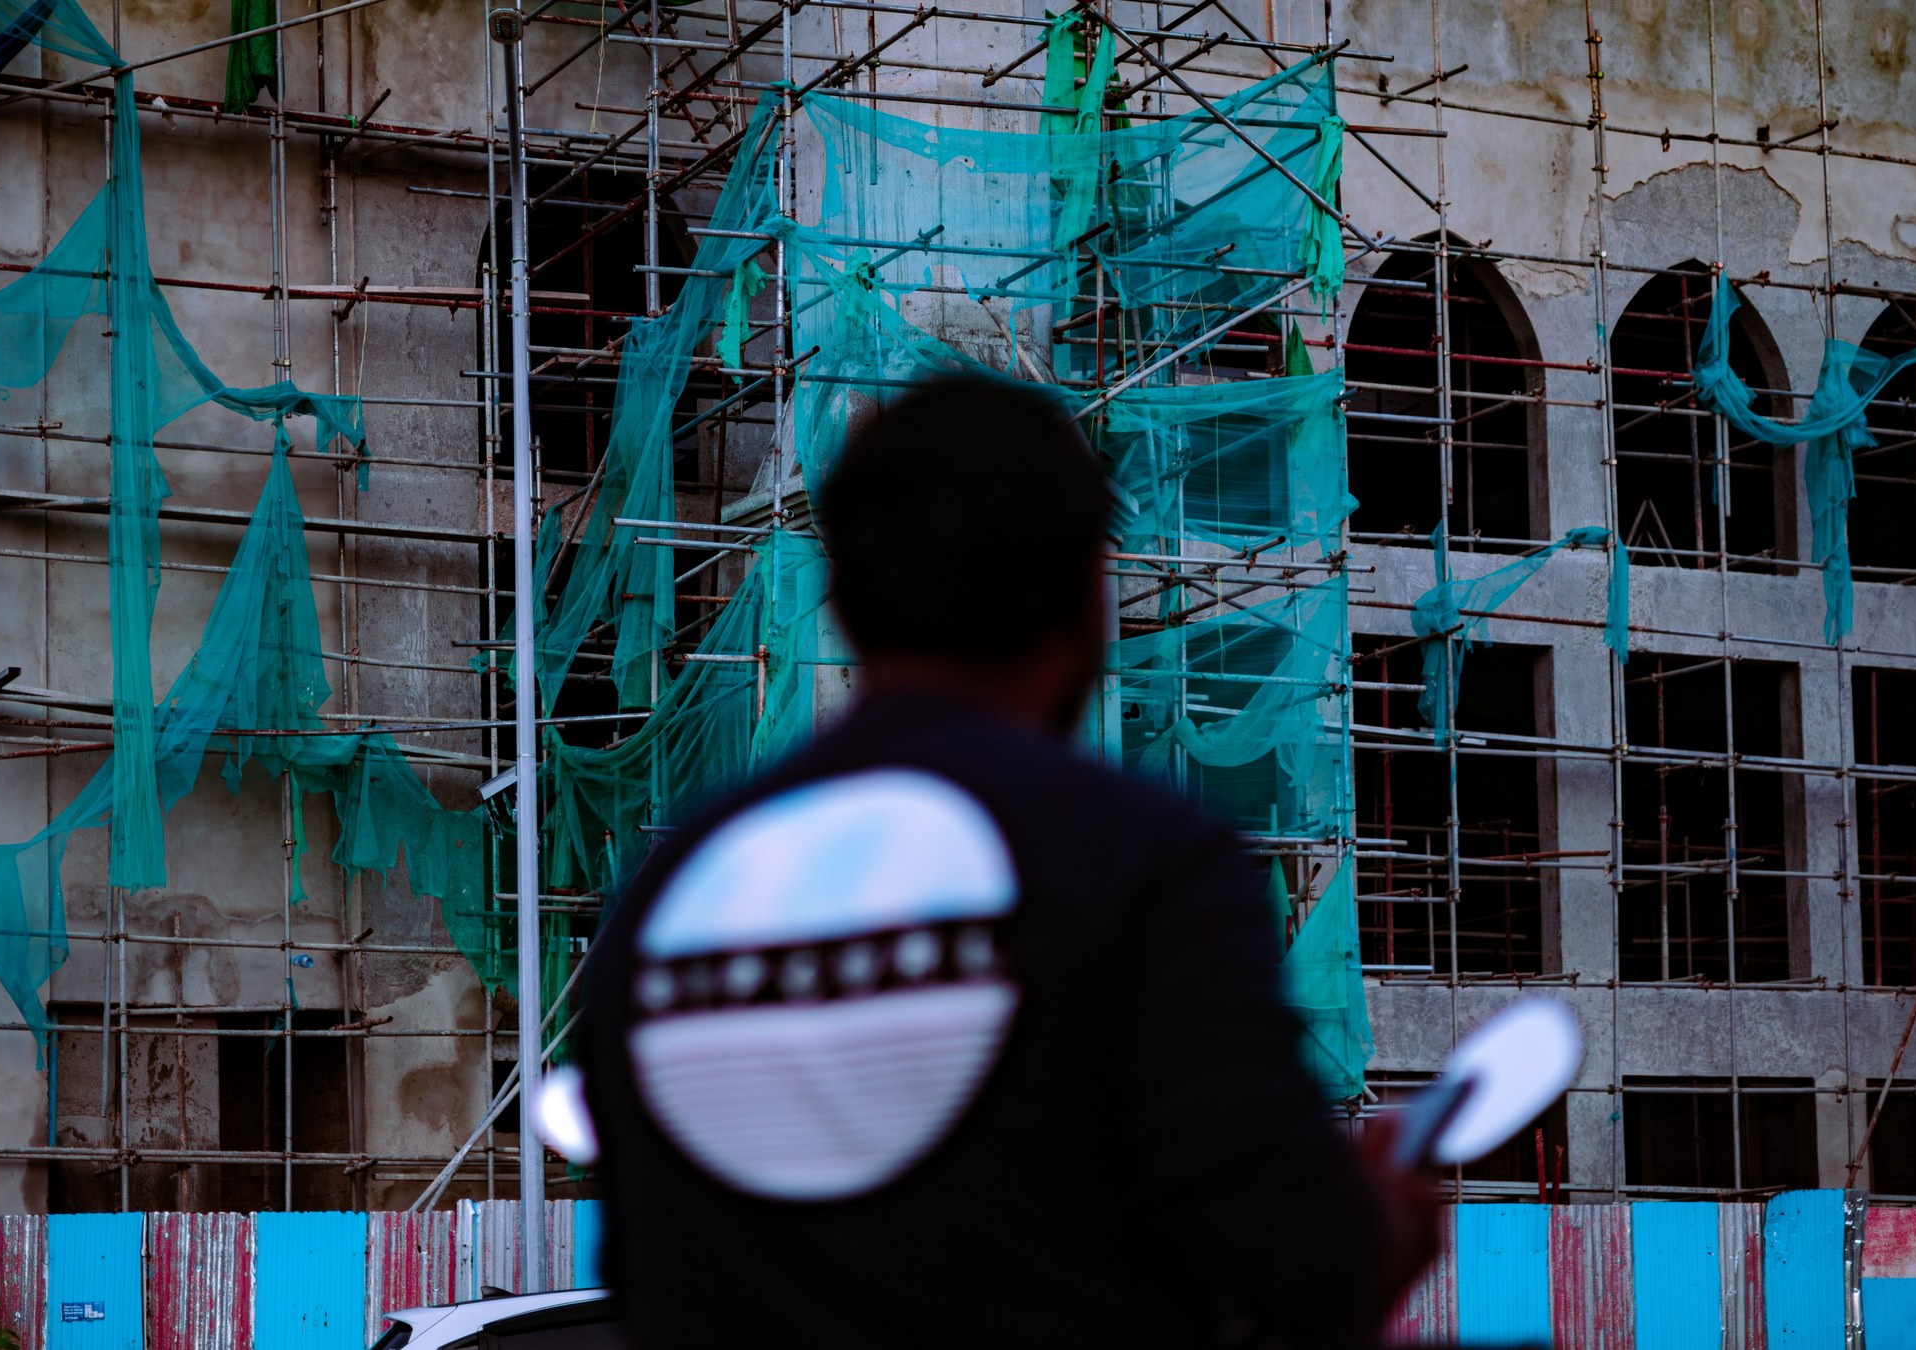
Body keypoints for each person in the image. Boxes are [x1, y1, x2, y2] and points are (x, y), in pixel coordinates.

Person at [580, 374, 1437, 1348]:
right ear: (1083, 595)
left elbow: (642, 1278)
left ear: (849, 603)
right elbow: (1294, 1263)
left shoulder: (670, 896)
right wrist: (1383, 1226)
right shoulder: (1140, 862)